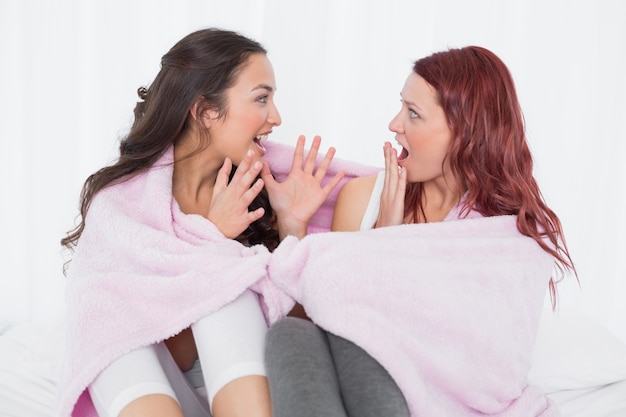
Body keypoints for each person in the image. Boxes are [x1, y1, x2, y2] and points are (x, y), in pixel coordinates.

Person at [264, 46, 576, 417]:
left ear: (465, 133)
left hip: (432, 396)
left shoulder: (505, 238)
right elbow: (321, 322)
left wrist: (387, 248)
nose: (395, 124)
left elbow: (481, 362)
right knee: (288, 334)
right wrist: (294, 228)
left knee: (368, 339)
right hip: (356, 376)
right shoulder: (364, 198)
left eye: (413, 114)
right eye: (401, 107)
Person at [58, 28, 343, 417]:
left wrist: (292, 228)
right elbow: (152, 339)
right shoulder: (121, 207)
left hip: (239, 389)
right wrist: (210, 238)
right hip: (149, 382)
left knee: (230, 288)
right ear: (206, 110)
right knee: (106, 324)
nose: (275, 117)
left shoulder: (259, 194)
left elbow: (294, 337)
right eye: (261, 98)